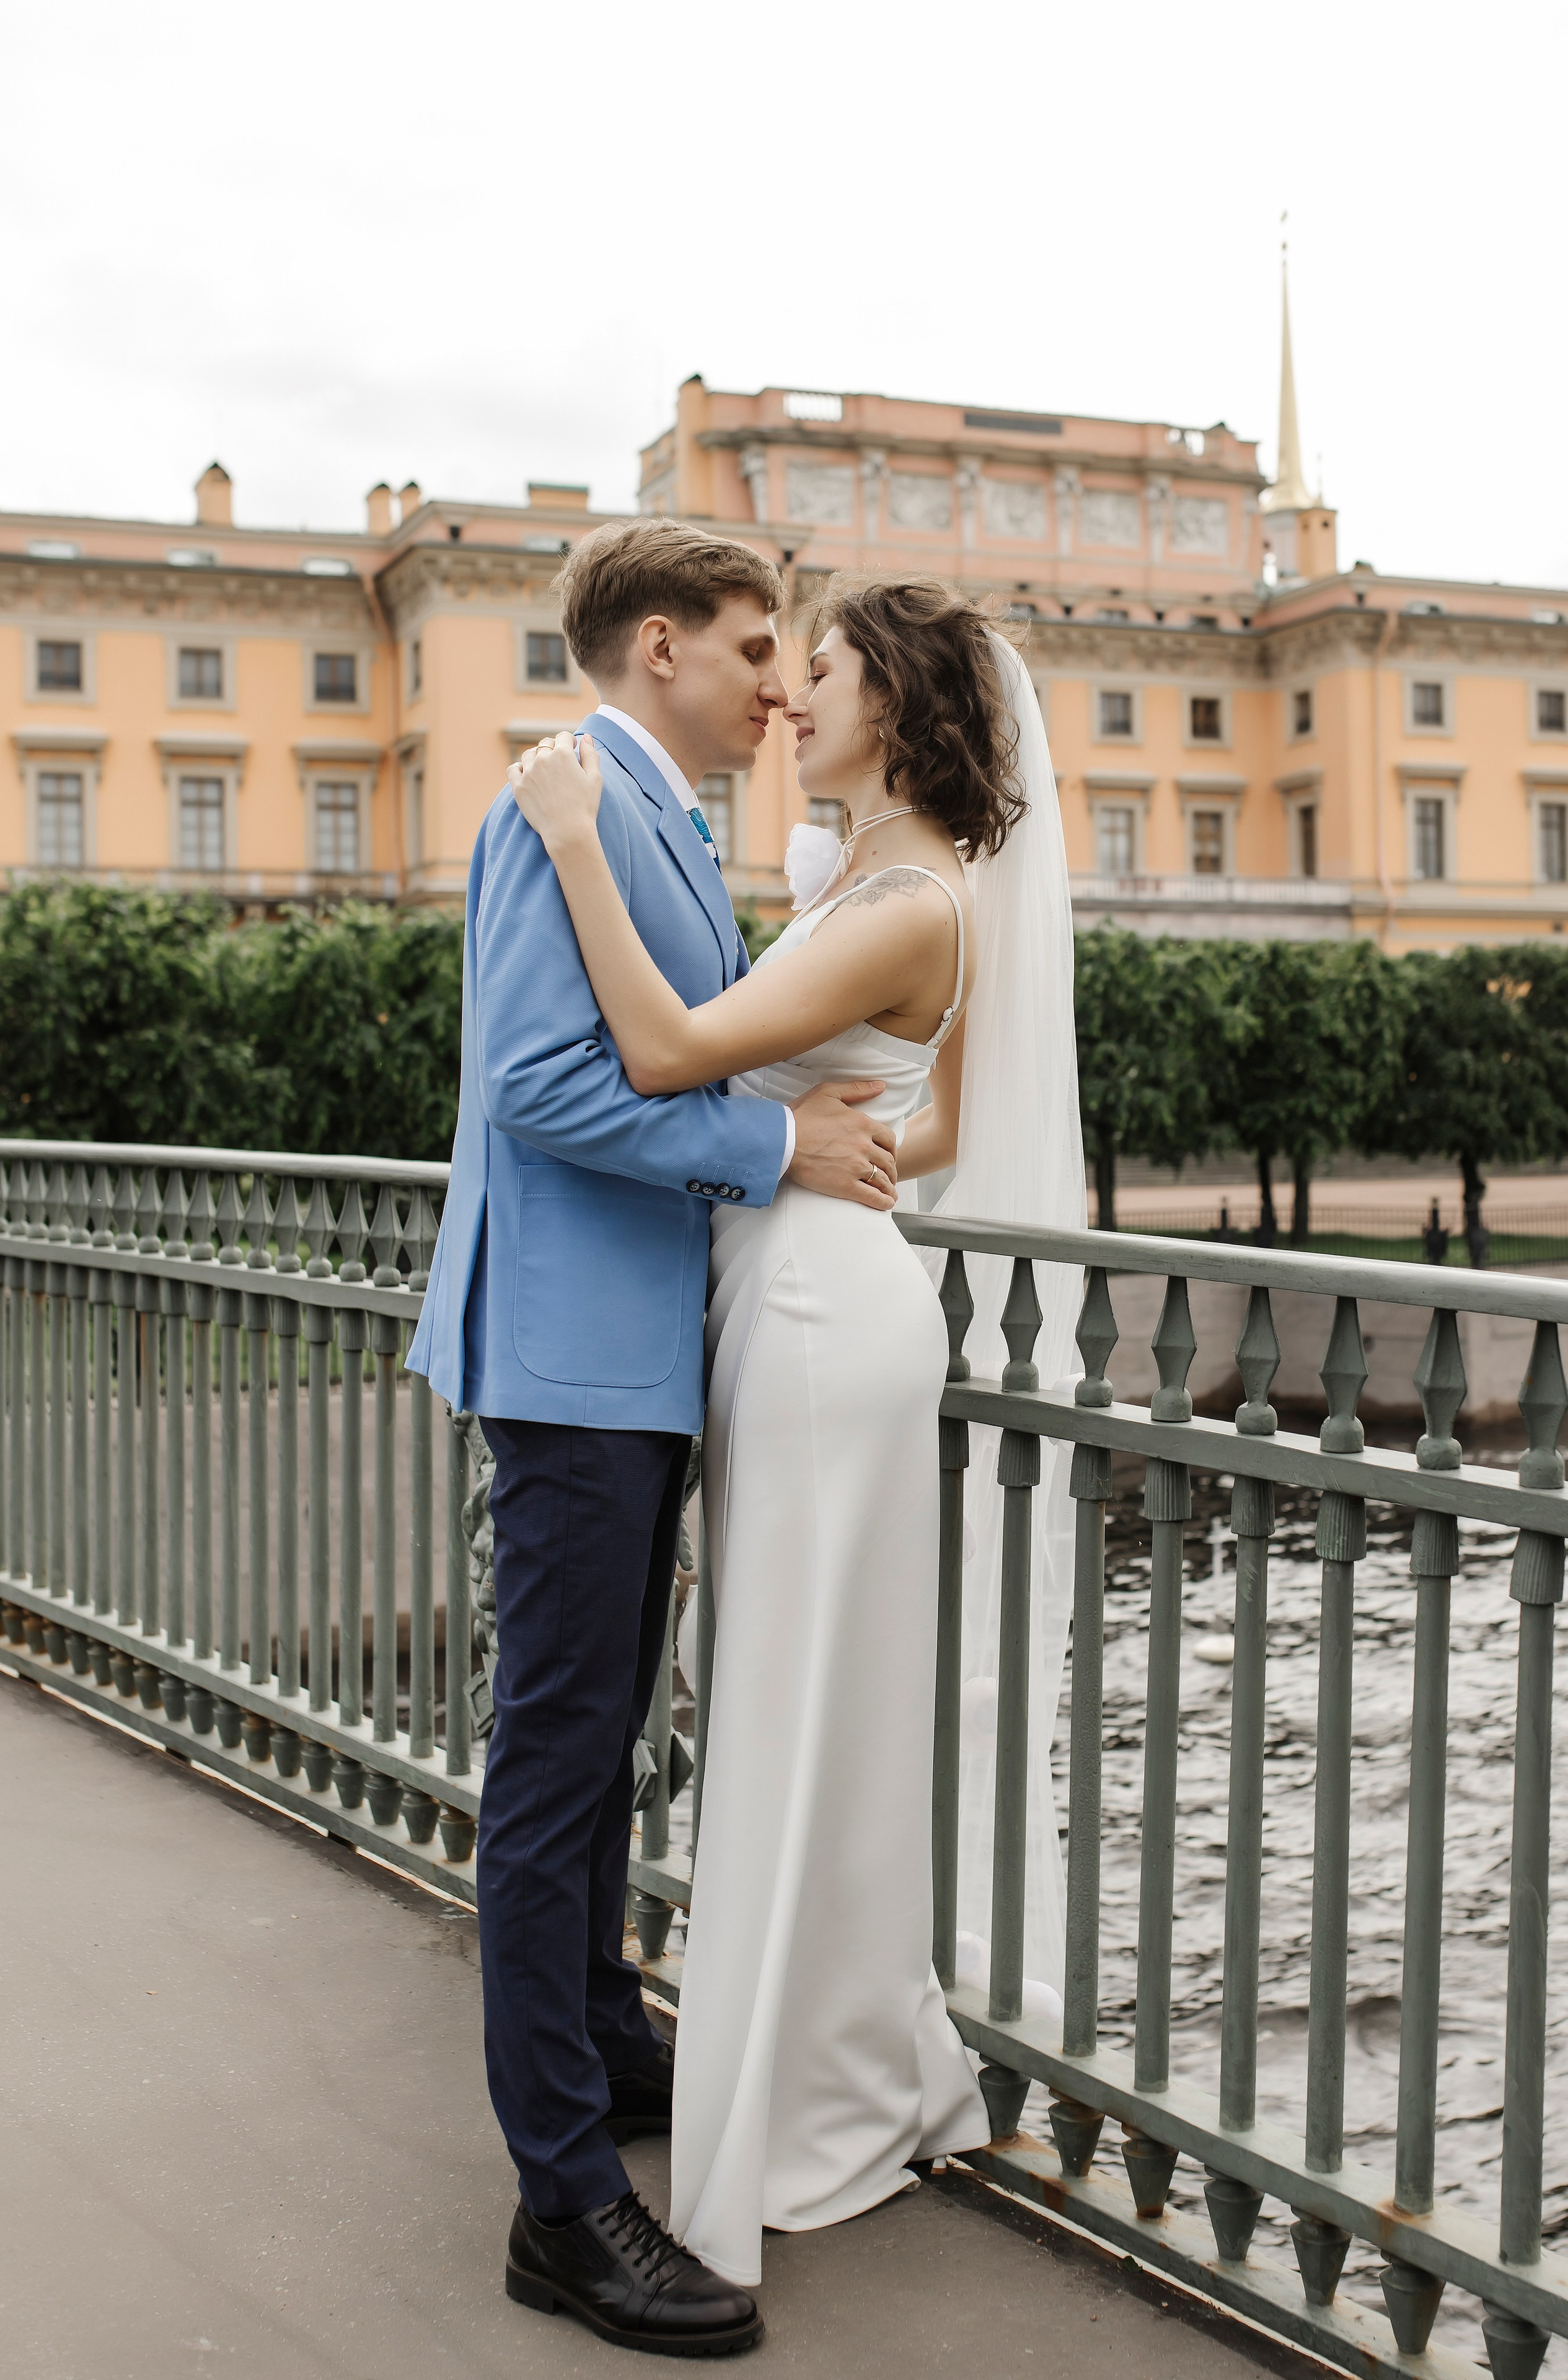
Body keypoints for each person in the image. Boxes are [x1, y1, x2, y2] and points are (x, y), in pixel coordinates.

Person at [509, 575, 1086, 2290]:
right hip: (825, 1293)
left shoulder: (906, 901)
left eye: (815, 670)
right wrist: (838, 1133)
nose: (789, 697)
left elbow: (669, 1045)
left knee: (779, 1704)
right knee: (807, 1705)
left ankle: (796, 2096)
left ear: (894, 709)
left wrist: (576, 845)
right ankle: (826, 2067)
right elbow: (938, 1125)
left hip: (825, 1321)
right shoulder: (898, 889)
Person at [407, 518, 902, 2359]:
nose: (778, 682)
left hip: (623, 1356)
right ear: (661, 645)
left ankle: (604, 2046)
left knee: (600, 1739)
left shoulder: (644, 815)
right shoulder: (589, 807)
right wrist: (775, 1151)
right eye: (757, 646)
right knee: (554, 1769)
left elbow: (673, 1044)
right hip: (574, 1359)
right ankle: (561, 2199)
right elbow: (543, 1089)